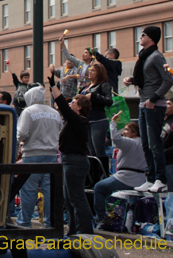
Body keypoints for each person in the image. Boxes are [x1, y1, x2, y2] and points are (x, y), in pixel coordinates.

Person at [123, 25, 173, 193]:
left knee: (154, 144)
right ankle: (150, 178)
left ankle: (161, 179)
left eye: (143, 34)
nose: (140, 37)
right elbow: (148, 79)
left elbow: (168, 80)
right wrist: (133, 79)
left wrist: (153, 98)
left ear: (151, 38)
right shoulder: (144, 57)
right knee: (145, 144)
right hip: (143, 103)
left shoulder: (157, 57)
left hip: (154, 105)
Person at [48, 64, 94, 235]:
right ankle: (73, 230)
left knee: (76, 198)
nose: (71, 102)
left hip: (75, 161)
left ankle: (85, 232)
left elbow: (62, 105)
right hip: (70, 160)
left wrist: (53, 86)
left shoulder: (78, 120)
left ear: (80, 107)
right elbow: (63, 107)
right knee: (69, 199)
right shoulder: (75, 121)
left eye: (74, 101)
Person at [16, 85, 61, 228]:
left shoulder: (28, 112)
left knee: (29, 191)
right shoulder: (55, 113)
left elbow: (22, 133)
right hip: (52, 156)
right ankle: (50, 225)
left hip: (32, 155)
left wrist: (22, 141)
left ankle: (25, 223)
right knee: (49, 192)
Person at [93, 114, 147, 225]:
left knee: (99, 187)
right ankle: (111, 217)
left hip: (126, 177)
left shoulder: (131, 142)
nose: (124, 132)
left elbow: (116, 138)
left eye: (127, 130)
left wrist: (113, 123)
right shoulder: (143, 143)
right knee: (106, 189)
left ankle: (101, 218)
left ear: (134, 133)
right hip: (141, 179)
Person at [79, 63, 113, 175]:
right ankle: (93, 176)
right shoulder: (86, 87)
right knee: (91, 151)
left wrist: (94, 96)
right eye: (90, 70)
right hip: (86, 121)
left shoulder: (103, 86)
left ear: (99, 73)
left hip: (98, 120)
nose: (90, 72)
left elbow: (109, 101)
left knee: (99, 150)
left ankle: (103, 174)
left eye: (93, 70)